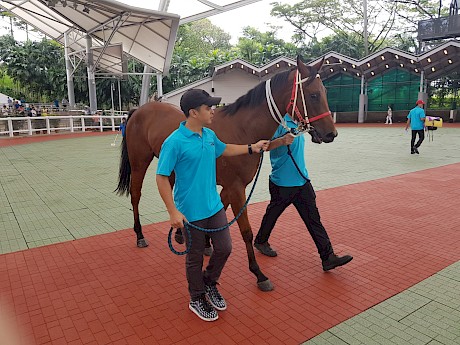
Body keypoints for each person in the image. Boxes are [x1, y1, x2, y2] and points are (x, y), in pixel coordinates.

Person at [156, 89, 269, 322]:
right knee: (195, 257)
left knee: (225, 248)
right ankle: (196, 297)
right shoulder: (174, 142)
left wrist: (252, 147)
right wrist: (172, 211)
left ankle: (209, 282)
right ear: (193, 113)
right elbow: (161, 177)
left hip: (214, 206)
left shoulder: (208, 135)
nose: (213, 110)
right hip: (190, 211)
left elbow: (225, 148)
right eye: (209, 108)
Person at [253, 113, 353, 272]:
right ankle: (260, 241)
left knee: (314, 219)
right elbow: (264, 146)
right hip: (282, 182)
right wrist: (281, 141)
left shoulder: (299, 121)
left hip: (302, 180)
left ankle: (328, 257)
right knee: (273, 213)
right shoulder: (279, 122)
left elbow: (314, 131)